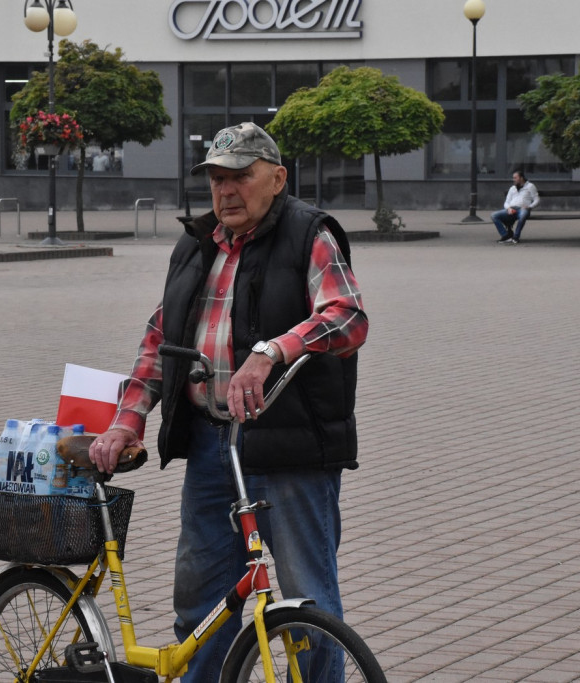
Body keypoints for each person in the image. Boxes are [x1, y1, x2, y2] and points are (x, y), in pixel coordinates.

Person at [89, 122, 368, 681]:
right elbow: (160, 340)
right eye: (217, 178)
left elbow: (346, 315)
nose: (226, 191)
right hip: (213, 446)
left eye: (241, 176)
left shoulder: (308, 234)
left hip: (290, 452)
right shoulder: (197, 244)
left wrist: (272, 351)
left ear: (277, 178)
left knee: (307, 606)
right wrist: (127, 420)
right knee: (201, 603)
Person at [492, 169, 539, 244]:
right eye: (513, 178)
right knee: (494, 215)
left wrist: (530, 206)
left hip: (523, 209)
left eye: (515, 178)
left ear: (521, 178)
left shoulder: (530, 186)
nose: (513, 179)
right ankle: (506, 236)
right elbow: (506, 202)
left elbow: (536, 199)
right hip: (511, 209)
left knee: (523, 215)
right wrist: (508, 208)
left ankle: (516, 237)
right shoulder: (512, 188)